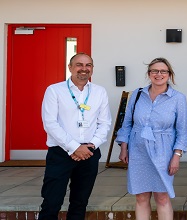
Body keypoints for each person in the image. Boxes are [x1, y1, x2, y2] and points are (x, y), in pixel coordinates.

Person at [39, 53, 112, 220]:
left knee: (80, 202)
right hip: (61, 153)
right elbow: (50, 123)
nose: (84, 69)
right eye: (79, 65)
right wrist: (74, 147)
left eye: (88, 65)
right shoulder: (54, 90)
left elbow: (104, 123)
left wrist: (90, 146)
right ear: (70, 67)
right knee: (52, 201)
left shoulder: (99, 92)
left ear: (92, 69)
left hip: (89, 152)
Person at [116, 57, 187, 220]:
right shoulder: (137, 95)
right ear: (149, 74)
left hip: (164, 152)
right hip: (138, 151)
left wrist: (176, 156)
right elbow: (127, 123)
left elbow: (183, 131)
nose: (159, 74)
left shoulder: (178, 98)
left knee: (162, 197)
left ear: (169, 74)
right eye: (154, 71)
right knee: (141, 197)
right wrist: (123, 148)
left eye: (163, 71)